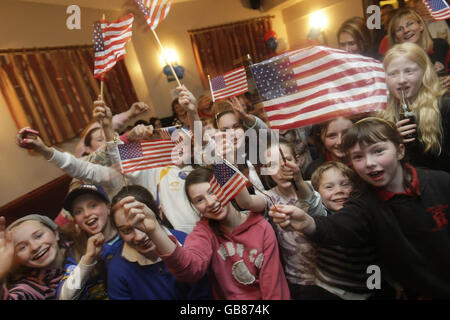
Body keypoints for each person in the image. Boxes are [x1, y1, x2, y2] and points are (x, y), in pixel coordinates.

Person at [269, 117, 450, 298]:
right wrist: (308, 223)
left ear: (400, 150)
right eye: (358, 157)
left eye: (378, 151)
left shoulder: (441, 182)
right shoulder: (364, 203)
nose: (369, 162)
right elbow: (338, 226)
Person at [115, 166, 291, 300]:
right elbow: (189, 269)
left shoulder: (261, 228)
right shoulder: (204, 232)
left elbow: (274, 289)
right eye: (199, 200)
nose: (210, 202)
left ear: (225, 189)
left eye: (213, 192)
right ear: (194, 207)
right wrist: (153, 230)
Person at [107, 185, 213, 300]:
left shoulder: (187, 243)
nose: (139, 237)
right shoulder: (118, 268)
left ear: (159, 213)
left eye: (142, 222)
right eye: (126, 230)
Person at [262, 138, 327, 299]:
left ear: (298, 161)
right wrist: (217, 160)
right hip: (299, 282)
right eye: (272, 165)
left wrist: (298, 180)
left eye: (287, 161)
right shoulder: (268, 197)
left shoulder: (315, 185)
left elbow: (320, 213)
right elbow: (246, 201)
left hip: (331, 276)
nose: (281, 169)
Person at [310, 162, 378, 300]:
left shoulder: (364, 214)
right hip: (329, 290)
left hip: (368, 290)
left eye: (345, 184)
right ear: (317, 193)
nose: (339, 191)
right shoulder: (319, 217)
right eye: (329, 187)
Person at [379, 42, 450, 172]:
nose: (401, 80)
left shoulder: (444, 106)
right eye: (393, 74)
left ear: (424, 73)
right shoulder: (382, 115)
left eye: (408, 71)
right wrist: (392, 142)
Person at [56, 181, 123, 300]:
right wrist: (88, 258)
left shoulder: (129, 236)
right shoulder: (76, 252)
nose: (87, 214)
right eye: (78, 211)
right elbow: (64, 297)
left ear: (108, 207)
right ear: (75, 221)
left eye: (93, 205)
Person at [0, 215, 66, 300]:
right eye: (22, 247)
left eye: (38, 236)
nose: (34, 247)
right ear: (16, 259)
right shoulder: (32, 286)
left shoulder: (77, 244)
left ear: (55, 233)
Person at [387, 8, 449, 82]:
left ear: (421, 26)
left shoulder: (440, 46)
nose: (406, 30)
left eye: (410, 24)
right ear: (395, 38)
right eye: (399, 29)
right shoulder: (396, 61)